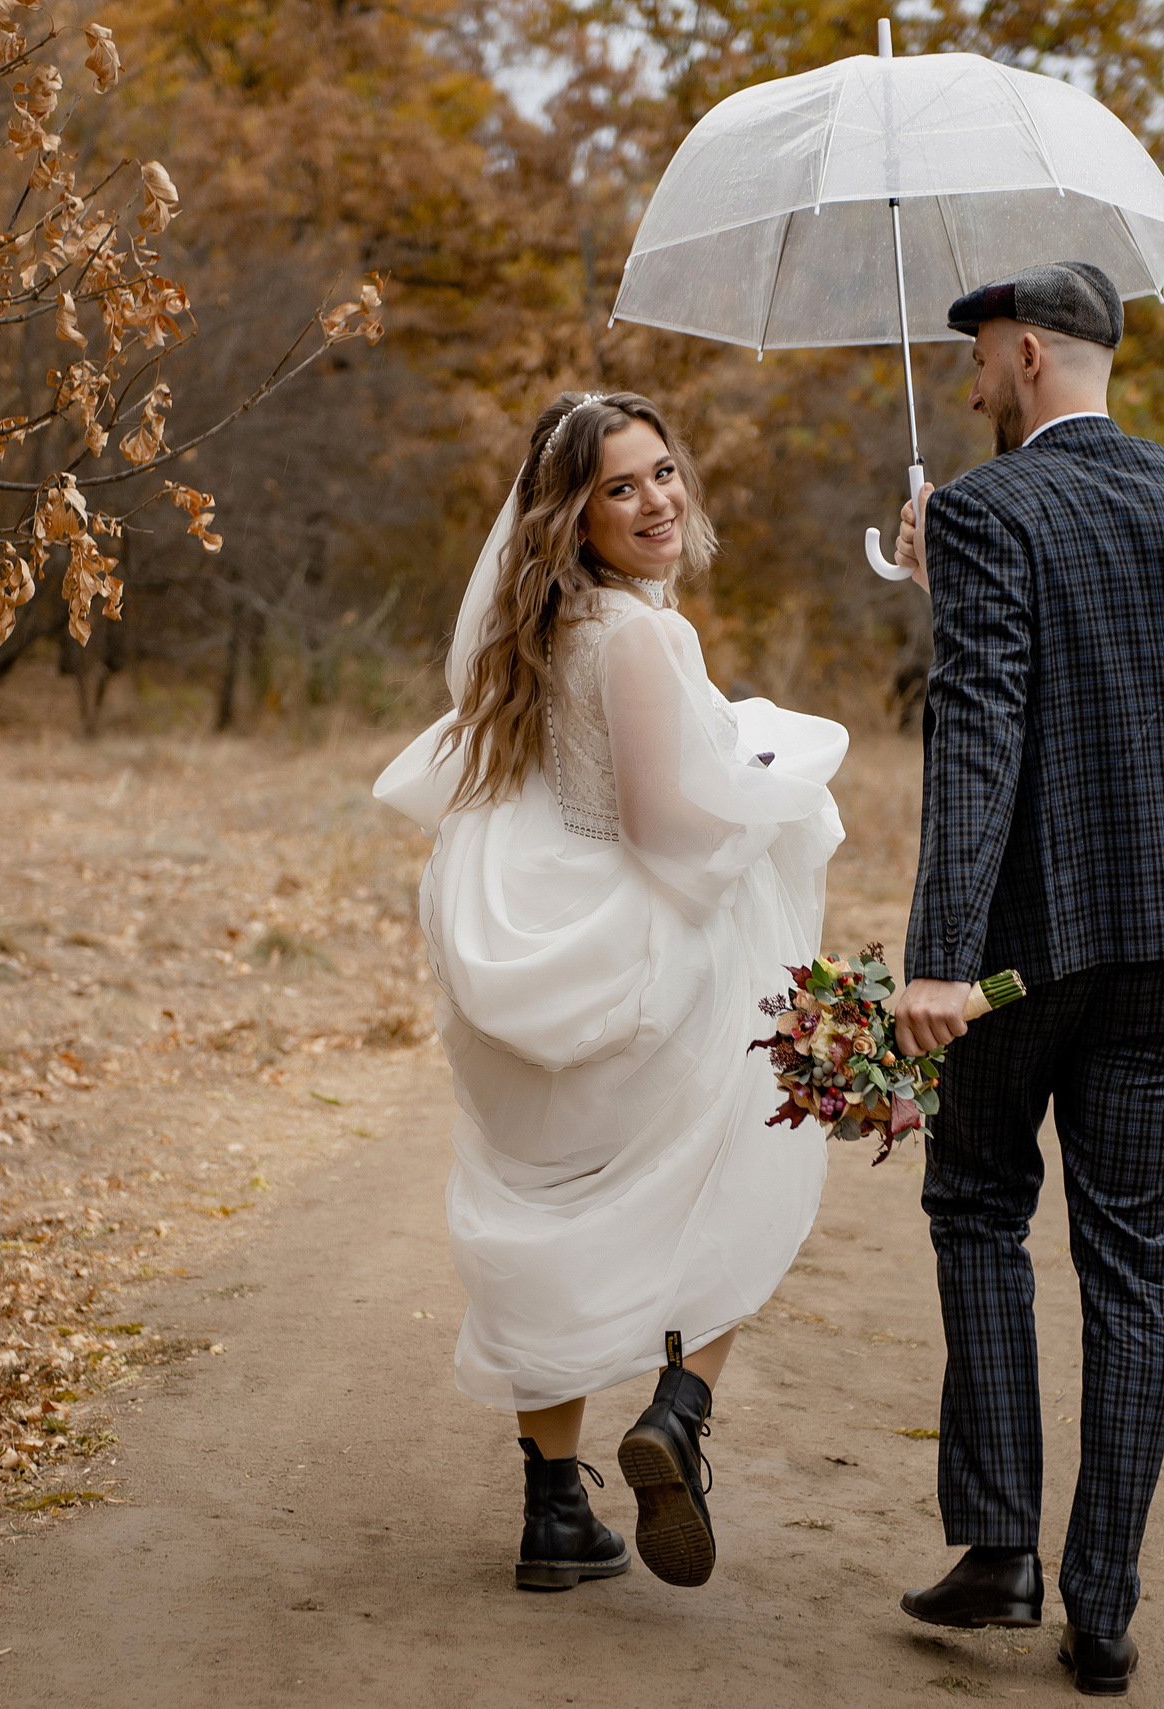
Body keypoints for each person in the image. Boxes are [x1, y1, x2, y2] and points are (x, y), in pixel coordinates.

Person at [375, 392, 847, 1593]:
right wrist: (772, 793)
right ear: (572, 515)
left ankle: (554, 1515)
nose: (657, 502)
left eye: (664, 473)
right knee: (742, 1159)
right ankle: (679, 1414)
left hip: (539, 939)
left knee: (550, 1216)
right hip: (641, 949)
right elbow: (655, 822)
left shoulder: (542, 628)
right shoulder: (641, 637)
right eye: (621, 488)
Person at [886, 263, 1164, 1697]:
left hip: (1023, 963)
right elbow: (1128, 696)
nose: (968, 384)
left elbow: (980, 738)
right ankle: (1102, 1602)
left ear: (1030, 352)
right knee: (1139, 1256)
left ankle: (997, 1547)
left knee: (977, 1204)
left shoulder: (989, 508)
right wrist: (948, 571)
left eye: (978, 359)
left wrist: (937, 960)